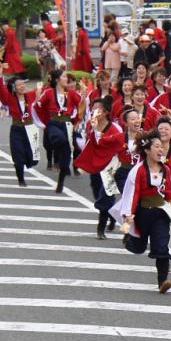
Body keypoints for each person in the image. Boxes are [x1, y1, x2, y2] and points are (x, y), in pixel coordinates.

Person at [110, 129, 171, 294]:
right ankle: (129, 239)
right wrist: (129, 216)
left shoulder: (166, 170)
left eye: (161, 147)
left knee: (161, 246)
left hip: (161, 213)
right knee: (138, 247)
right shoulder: (138, 171)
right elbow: (134, 194)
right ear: (147, 150)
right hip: (141, 213)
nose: (161, 150)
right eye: (156, 147)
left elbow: (169, 192)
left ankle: (163, 281)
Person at [75, 96, 123, 239]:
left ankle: (100, 228)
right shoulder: (90, 124)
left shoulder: (115, 128)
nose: (95, 111)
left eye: (99, 109)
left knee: (106, 195)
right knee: (97, 190)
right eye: (93, 109)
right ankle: (111, 214)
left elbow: (120, 147)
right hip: (95, 165)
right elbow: (86, 142)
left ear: (106, 112)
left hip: (111, 166)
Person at [35, 69, 84, 193]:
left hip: (67, 124)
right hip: (53, 124)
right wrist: (42, 122)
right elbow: (38, 106)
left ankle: (60, 183)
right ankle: (57, 154)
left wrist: (78, 120)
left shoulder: (72, 94)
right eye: (63, 76)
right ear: (57, 79)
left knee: (66, 155)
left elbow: (83, 103)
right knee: (59, 138)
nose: (66, 79)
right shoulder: (49, 93)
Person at [0, 65, 41, 186]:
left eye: (23, 84)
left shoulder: (30, 95)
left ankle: (28, 162)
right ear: (14, 88)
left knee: (33, 159)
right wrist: (0, 76)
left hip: (30, 128)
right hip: (17, 129)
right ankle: (21, 179)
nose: (22, 87)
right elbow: (0, 90)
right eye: (19, 85)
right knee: (18, 156)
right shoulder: (10, 98)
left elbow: (46, 90)